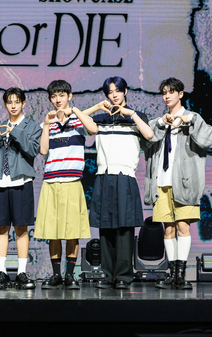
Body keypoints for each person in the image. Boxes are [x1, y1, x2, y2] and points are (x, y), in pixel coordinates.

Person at [144, 77, 212, 290]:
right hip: (162, 183)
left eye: (171, 92)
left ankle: (181, 275)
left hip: (183, 184)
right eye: (164, 92)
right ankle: (172, 274)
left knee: (183, 226)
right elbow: (145, 139)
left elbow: (209, 139)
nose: (167, 96)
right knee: (168, 230)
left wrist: (188, 122)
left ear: (180, 94)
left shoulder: (193, 117)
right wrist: (160, 124)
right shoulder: (160, 122)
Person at [82, 76, 154, 290]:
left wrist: (131, 114)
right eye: (110, 92)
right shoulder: (101, 120)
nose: (114, 95)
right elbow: (76, 120)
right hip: (104, 176)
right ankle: (106, 274)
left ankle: (124, 275)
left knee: (124, 229)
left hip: (125, 177)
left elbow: (149, 135)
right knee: (106, 229)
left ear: (125, 92)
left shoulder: (137, 117)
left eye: (118, 91)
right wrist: (96, 108)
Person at [34, 80, 97, 290]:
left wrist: (76, 111)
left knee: (72, 232)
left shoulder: (79, 120)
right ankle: (56, 275)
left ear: (69, 96)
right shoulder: (49, 122)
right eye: (54, 96)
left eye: (62, 95)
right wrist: (45, 124)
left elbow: (93, 129)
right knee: (53, 232)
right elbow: (43, 150)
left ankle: (71, 275)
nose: (58, 99)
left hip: (72, 181)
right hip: (51, 181)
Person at [0, 87, 41, 290]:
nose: (13, 105)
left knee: (21, 229)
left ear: (23, 103)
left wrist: (15, 131)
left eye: (17, 102)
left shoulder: (32, 126)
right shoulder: (0, 125)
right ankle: (2, 272)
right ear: (5, 104)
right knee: (1, 228)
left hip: (21, 182)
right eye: (9, 102)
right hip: (0, 182)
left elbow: (32, 149)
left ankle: (21, 272)